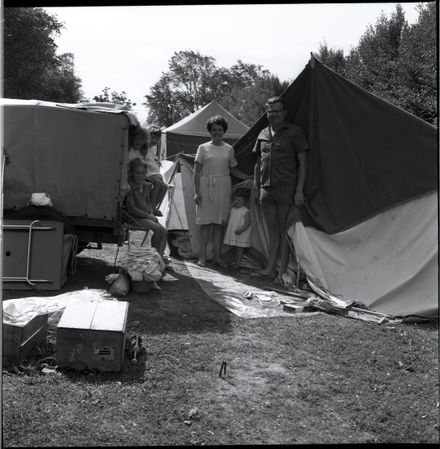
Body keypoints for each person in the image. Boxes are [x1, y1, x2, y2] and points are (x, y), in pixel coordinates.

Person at [252, 96, 309, 281]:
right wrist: (256, 186)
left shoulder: (295, 132)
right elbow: (258, 161)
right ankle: (271, 268)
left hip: (287, 188)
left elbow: (303, 163)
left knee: (285, 231)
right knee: (273, 230)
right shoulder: (262, 134)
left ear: (284, 113)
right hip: (266, 190)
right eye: (270, 111)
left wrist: (299, 190)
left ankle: (281, 272)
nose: (273, 114)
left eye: (277, 111)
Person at [193, 115, 252, 267]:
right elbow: (196, 171)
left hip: (223, 187)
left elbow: (233, 170)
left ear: (224, 131)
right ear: (210, 131)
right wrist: (196, 191)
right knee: (205, 223)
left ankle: (217, 257)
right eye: (214, 129)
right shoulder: (202, 148)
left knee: (219, 223)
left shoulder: (229, 149)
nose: (217, 132)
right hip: (206, 186)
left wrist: (248, 177)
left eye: (219, 129)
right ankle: (203, 257)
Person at [126, 157, 168, 261]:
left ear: (146, 173)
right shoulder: (129, 186)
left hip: (145, 215)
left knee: (164, 232)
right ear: (132, 173)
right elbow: (132, 209)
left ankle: (159, 258)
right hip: (134, 217)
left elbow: (148, 202)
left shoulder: (145, 185)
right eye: (137, 173)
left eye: (142, 173)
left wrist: (151, 213)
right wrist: (148, 216)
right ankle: (154, 258)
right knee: (158, 229)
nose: (140, 176)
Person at [223, 188, 252, 268]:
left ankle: (237, 264)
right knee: (230, 246)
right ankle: (229, 260)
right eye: (235, 200)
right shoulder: (233, 209)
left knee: (239, 249)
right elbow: (230, 217)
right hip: (232, 232)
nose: (236, 202)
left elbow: (248, 223)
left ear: (245, 200)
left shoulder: (245, 211)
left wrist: (241, 229)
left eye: (239, 200)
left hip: (240, 233)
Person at [145, 125, 169, 216]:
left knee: (165, 186)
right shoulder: (144, 147)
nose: (155, 141)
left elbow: (152, 157)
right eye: (153, 137)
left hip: (153, 171)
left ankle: (154, 206)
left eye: (157, 139)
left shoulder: (154, 148)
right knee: (158, 183)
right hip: (146, 171)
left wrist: (156, 160)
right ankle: (150, 208)